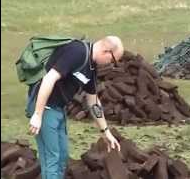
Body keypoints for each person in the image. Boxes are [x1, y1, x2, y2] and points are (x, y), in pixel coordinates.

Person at [27, 36, 123, 179]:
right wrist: (37, 114)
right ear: (106, 51)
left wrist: (106, 131)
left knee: (62, 157)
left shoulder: (91, 67)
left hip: (59, 110)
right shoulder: (77, 52)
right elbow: (49, 79)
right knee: (52, 159)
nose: (110, 64)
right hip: (46, 108)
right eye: (112, 60)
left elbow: (94, 102)